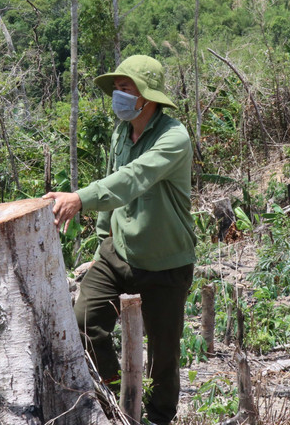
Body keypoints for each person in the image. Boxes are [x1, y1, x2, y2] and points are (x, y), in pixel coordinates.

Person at [43, 54, 195, 425]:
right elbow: (115, 184)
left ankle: (158, 418)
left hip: (165, 261)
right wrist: (101, 240)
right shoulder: (120, 132)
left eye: (126, 89)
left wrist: (79, 198)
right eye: (117, 89)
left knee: (163, 355)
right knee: (84, 322)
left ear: (148, 96)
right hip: (117, 253)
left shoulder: (173, 137)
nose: (118, 96)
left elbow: (132, 179)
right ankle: (113, 398)